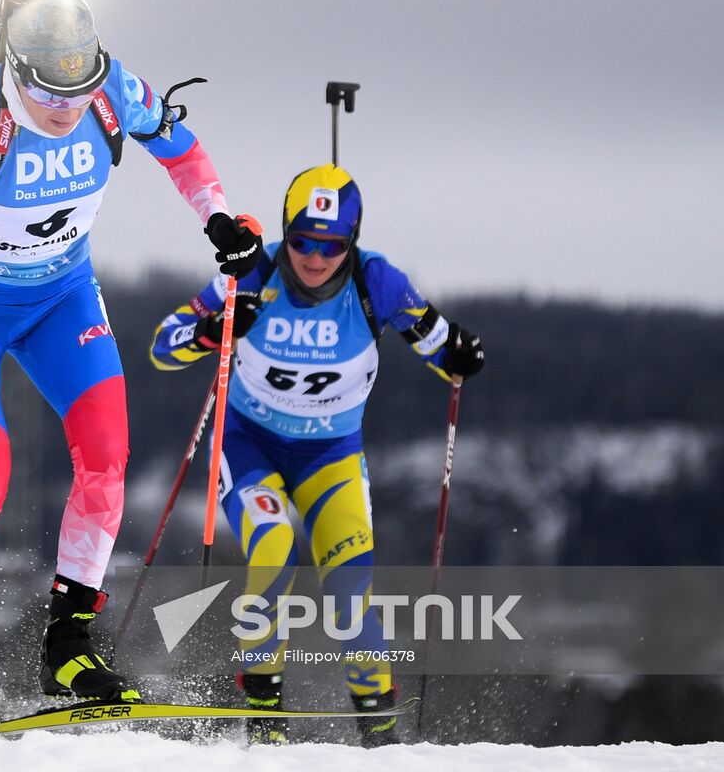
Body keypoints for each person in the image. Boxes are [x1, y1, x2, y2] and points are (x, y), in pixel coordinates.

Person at [0, 0, 262, 727]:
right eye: (45, 93)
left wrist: (219, 218)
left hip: (62, 298)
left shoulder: (112, 91)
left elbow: (181, 152)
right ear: (17, 74)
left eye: (76, 89)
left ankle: (68, 648)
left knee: (106, 458)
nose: (64, 107)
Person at [149, 163, 485, 747]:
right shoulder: (252, 269)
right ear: (285, 230)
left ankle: (379, 731)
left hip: (330, 455)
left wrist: (457, 355)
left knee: (350, 594)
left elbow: (435, 344)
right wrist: (211, 334)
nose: (315, 255)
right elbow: (162, 346)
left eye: (332, 244)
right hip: (250, 446)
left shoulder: (376, 282)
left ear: (351, 241)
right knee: (274, 551)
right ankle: (265, 716)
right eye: (302, 239)